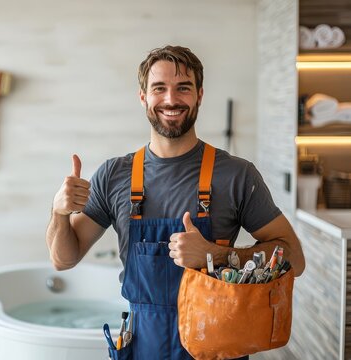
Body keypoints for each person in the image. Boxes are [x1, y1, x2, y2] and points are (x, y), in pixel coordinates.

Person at [45, 45, 306, 359]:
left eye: (183, 88)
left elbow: (295, 259)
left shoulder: (237, 175)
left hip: (219, 347)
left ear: (199, 95)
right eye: (159, 88)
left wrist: (217, 254)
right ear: (143, 97)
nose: (171, 100)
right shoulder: (114, 175)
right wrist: (59, 212)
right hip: (144, 347)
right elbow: (63, 259)